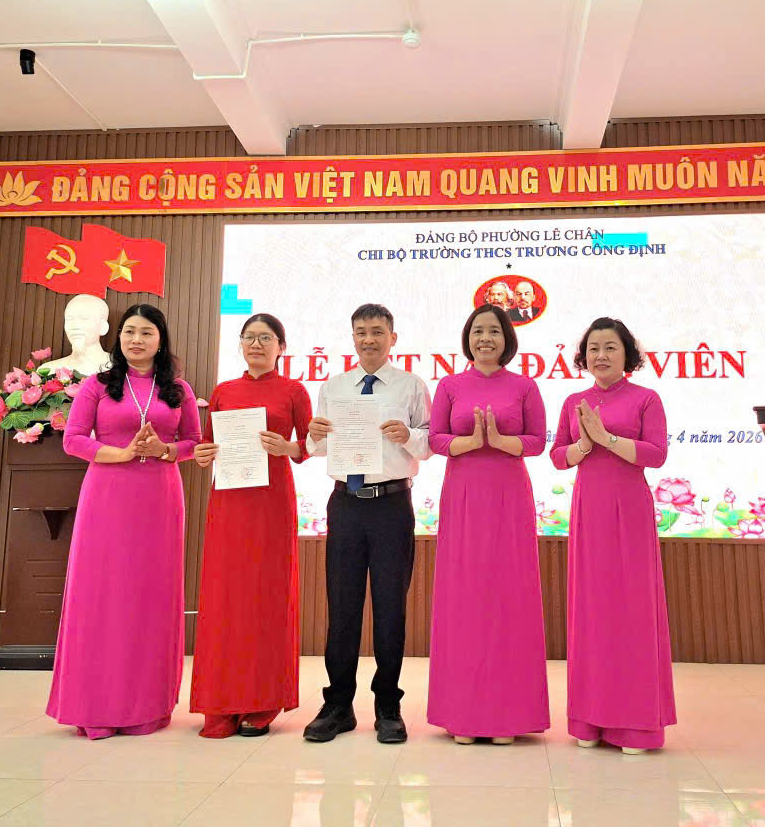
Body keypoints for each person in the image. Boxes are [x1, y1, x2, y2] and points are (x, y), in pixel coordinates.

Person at [48, 304, 201, 740]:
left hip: (159, 499)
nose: (137, 339)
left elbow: (194, 441)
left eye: (146, 332)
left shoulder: (178, 389)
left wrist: (164, 451)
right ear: (119, 337)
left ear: (160, 339)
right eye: (130, 331)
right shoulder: (97, 385)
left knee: (151, 597)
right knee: (101, 595)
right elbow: (74, 440)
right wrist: (124, 453)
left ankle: (146, 705)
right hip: (107, 498)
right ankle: (95, 705)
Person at [303, 304, 432, 744]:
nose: (369, 339)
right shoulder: (334, 386)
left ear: (393, 338)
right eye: (361, 332)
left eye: (378, 332)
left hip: (392, 505)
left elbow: (430, 443)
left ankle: (388, 705)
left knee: (391, 607)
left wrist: (408, 436)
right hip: (345, 504)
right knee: (342, 606)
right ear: (353, 337)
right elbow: (317, 448)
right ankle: (337, 705)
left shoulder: (411, 385)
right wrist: (315, 433)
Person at [549, 317, 676, 754]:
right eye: (593, 348)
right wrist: (584, 446)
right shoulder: (574, 401)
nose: (600, 356)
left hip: (630, 508)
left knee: (632, 608)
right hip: (589, 508)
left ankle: (635, 725)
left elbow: (656, 454)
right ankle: (589, 719)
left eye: (610, 347)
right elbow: (558, 456)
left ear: (628, 355)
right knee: (592, 609)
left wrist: (605, 438)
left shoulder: (646, 398)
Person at [427, 304, 549, 744]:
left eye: (494, 331)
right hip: (463, 495)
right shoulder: (450, 385)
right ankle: (463, 714)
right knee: (465, 597)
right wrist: (470, 442)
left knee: (507, 596)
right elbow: (435, 438)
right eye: (478, 330)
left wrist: (499, 441)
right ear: (468, 338)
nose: (485, 338)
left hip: (508, 497)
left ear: (506, 339)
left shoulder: (525, 386)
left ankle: (506, 716)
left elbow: (537, 441)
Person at [189, 313, 312, 738]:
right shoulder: (223, 391)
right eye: (249, 337)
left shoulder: (294, 390)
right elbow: (207, 444)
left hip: (271, 502)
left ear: (282, 346)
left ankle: (262, 700)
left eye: (266, 338)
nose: (256, 344)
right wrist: (202, 454)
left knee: (266, 594)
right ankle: (221, 700)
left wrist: (288, 447)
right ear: (240, 344)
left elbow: (310, 445)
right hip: (229, 503)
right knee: (226, 595)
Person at [48, 293, 112, 376]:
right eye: (69, 319)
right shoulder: (49, 370)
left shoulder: (121, 367)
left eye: (84, 318)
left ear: (103, 327)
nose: (75, 326)